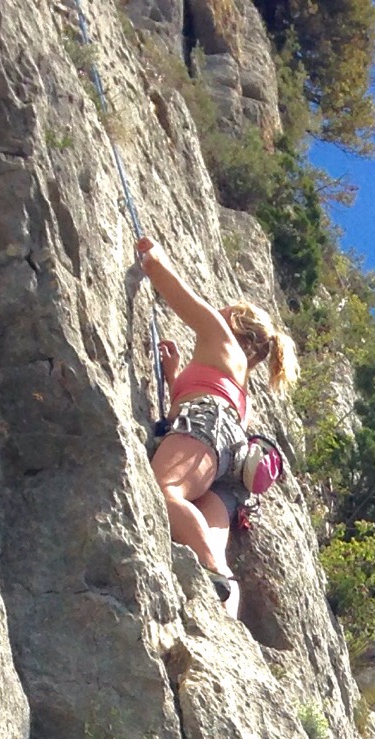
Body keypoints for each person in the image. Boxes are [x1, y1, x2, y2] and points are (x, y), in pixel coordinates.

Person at [134, 236, 297, 616]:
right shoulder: (243, 392)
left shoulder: (222, 336)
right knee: (211, 539)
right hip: (230, 461)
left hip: (207, 428)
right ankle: (225, 610)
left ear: (235, 320)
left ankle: (213, 573)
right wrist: (175, 376)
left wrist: (154, 258)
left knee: (163, 492)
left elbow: (177, 292)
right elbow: (194, 415)